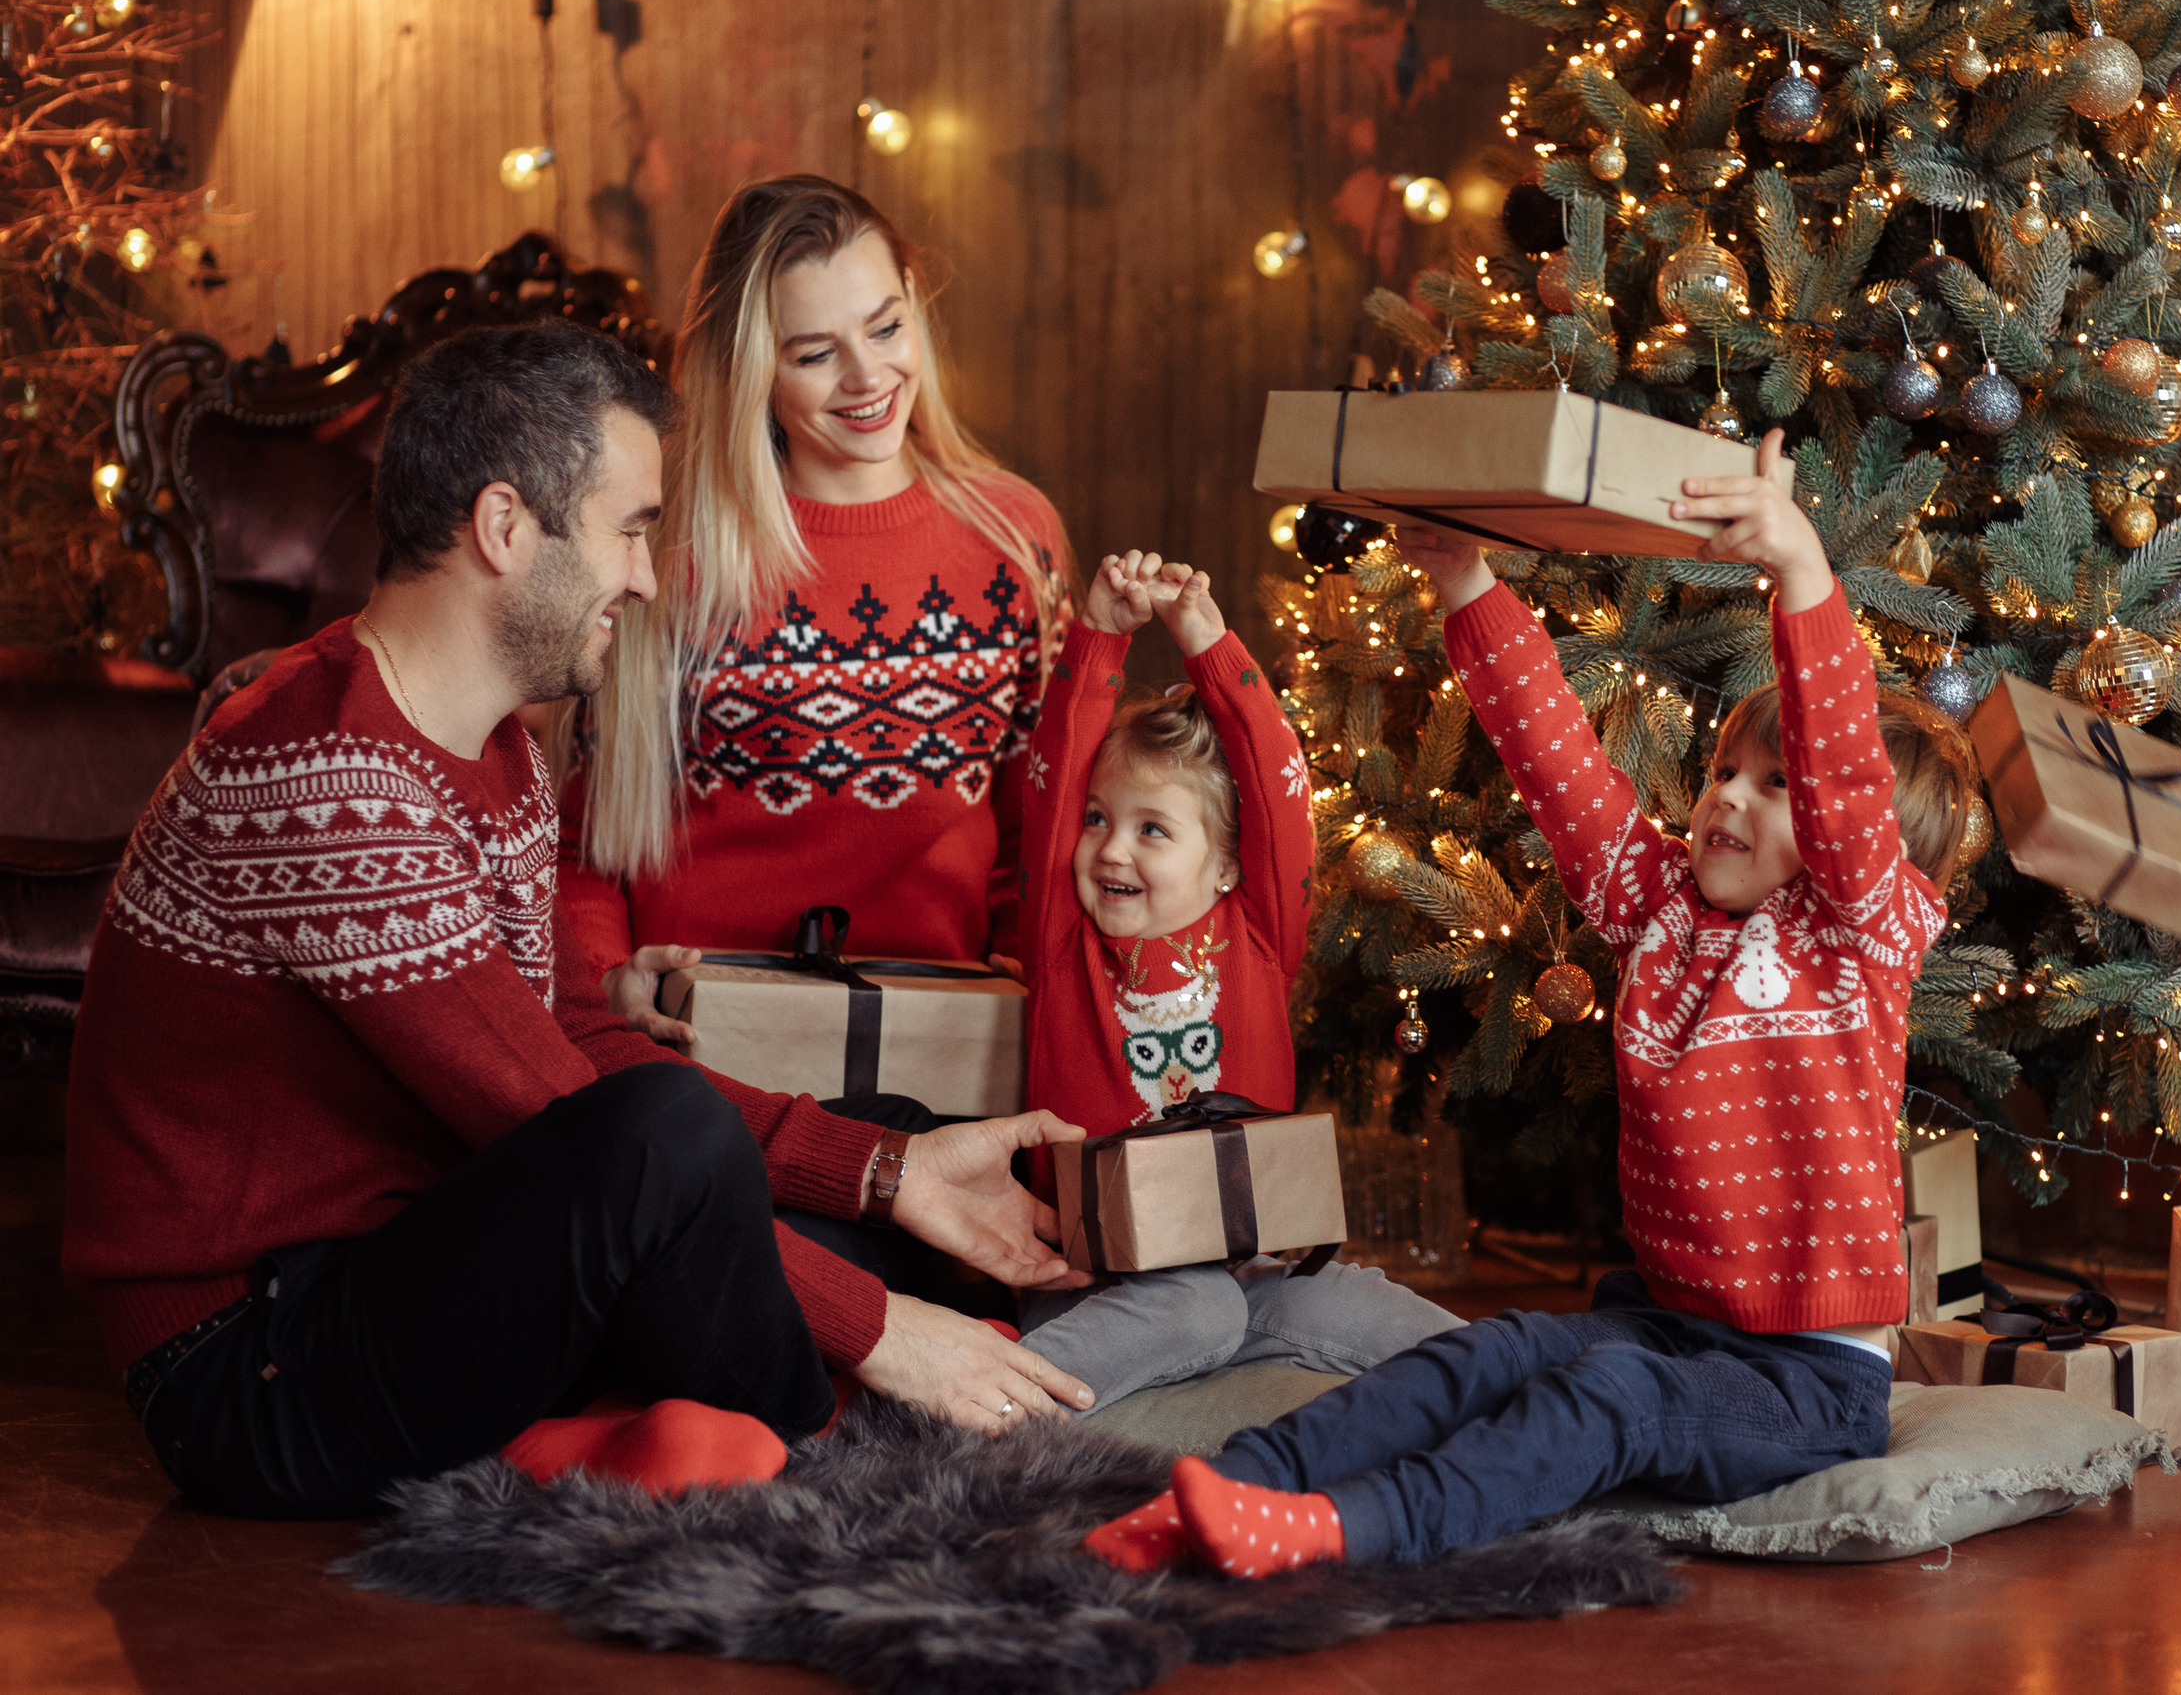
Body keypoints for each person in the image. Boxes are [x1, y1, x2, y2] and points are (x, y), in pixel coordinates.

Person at [63, 320, 1095, 1522]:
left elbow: (569, 1043)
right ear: (506, 529)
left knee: (873, 1168)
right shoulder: (328, 775)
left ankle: (673, 1425)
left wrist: (882, 1169)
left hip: (406, 1257)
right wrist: (882, 1334)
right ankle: (843, 1468)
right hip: (255, 1367)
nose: (649, 578)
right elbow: (565, 1117)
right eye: (631, 531)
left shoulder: (489, 742)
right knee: (684, 1154)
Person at [1083, 431, 1976, 1575]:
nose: (1729, 803)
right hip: (1667, 1320)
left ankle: (1346, 1530)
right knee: (1488, 1354)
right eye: (1723, 775)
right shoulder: (1663, 909)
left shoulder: (1862, 937)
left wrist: (1800, 573)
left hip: (1806, 1381)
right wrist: (1467, 584)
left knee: (1609, 1397)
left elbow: (1848, 779)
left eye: (1775, 786)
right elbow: (1562, 770)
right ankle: (1232, 1487)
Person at [563, 175, 1068, 1046]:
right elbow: (582, 839)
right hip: (707, 1053)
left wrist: (1031, 992)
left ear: (915, 302)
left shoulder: (1015, 537)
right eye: (813, 353)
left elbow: (1043, 831)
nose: (869, 377)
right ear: (749, 369)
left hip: (950, 1044)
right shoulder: (670, 552)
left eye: (885, 326)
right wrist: (609, 985)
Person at [1006, 550, 1460, 1413]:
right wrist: (1100, 635)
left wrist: (1207, 642)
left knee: (1419, 1330)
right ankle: (984, 1402)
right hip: (1091, 1283)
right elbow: (1055, 775)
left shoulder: (1255, 934)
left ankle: (1556, 1407)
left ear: (1225, 866)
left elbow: (1274, 778)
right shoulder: (1064, 946)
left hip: (1246, 1272)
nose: (1110, 848)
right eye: (1100, 820)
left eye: (1152, 829)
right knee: (1197, 1307)